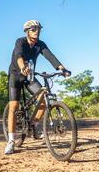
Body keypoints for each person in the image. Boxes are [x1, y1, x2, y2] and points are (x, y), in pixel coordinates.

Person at [5, 20, 71, 154]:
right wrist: (23, 66)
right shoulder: (20, 42)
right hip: (16, 75)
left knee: (42, 97)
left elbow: (50, 56)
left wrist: (62, 68)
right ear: (27, 31)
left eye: (38, 29)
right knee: (14, 107)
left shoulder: (40, 44)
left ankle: (34, 125)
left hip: (29, 76)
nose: (37, 31)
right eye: (34, 29)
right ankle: (11, 141)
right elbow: (18, 55)